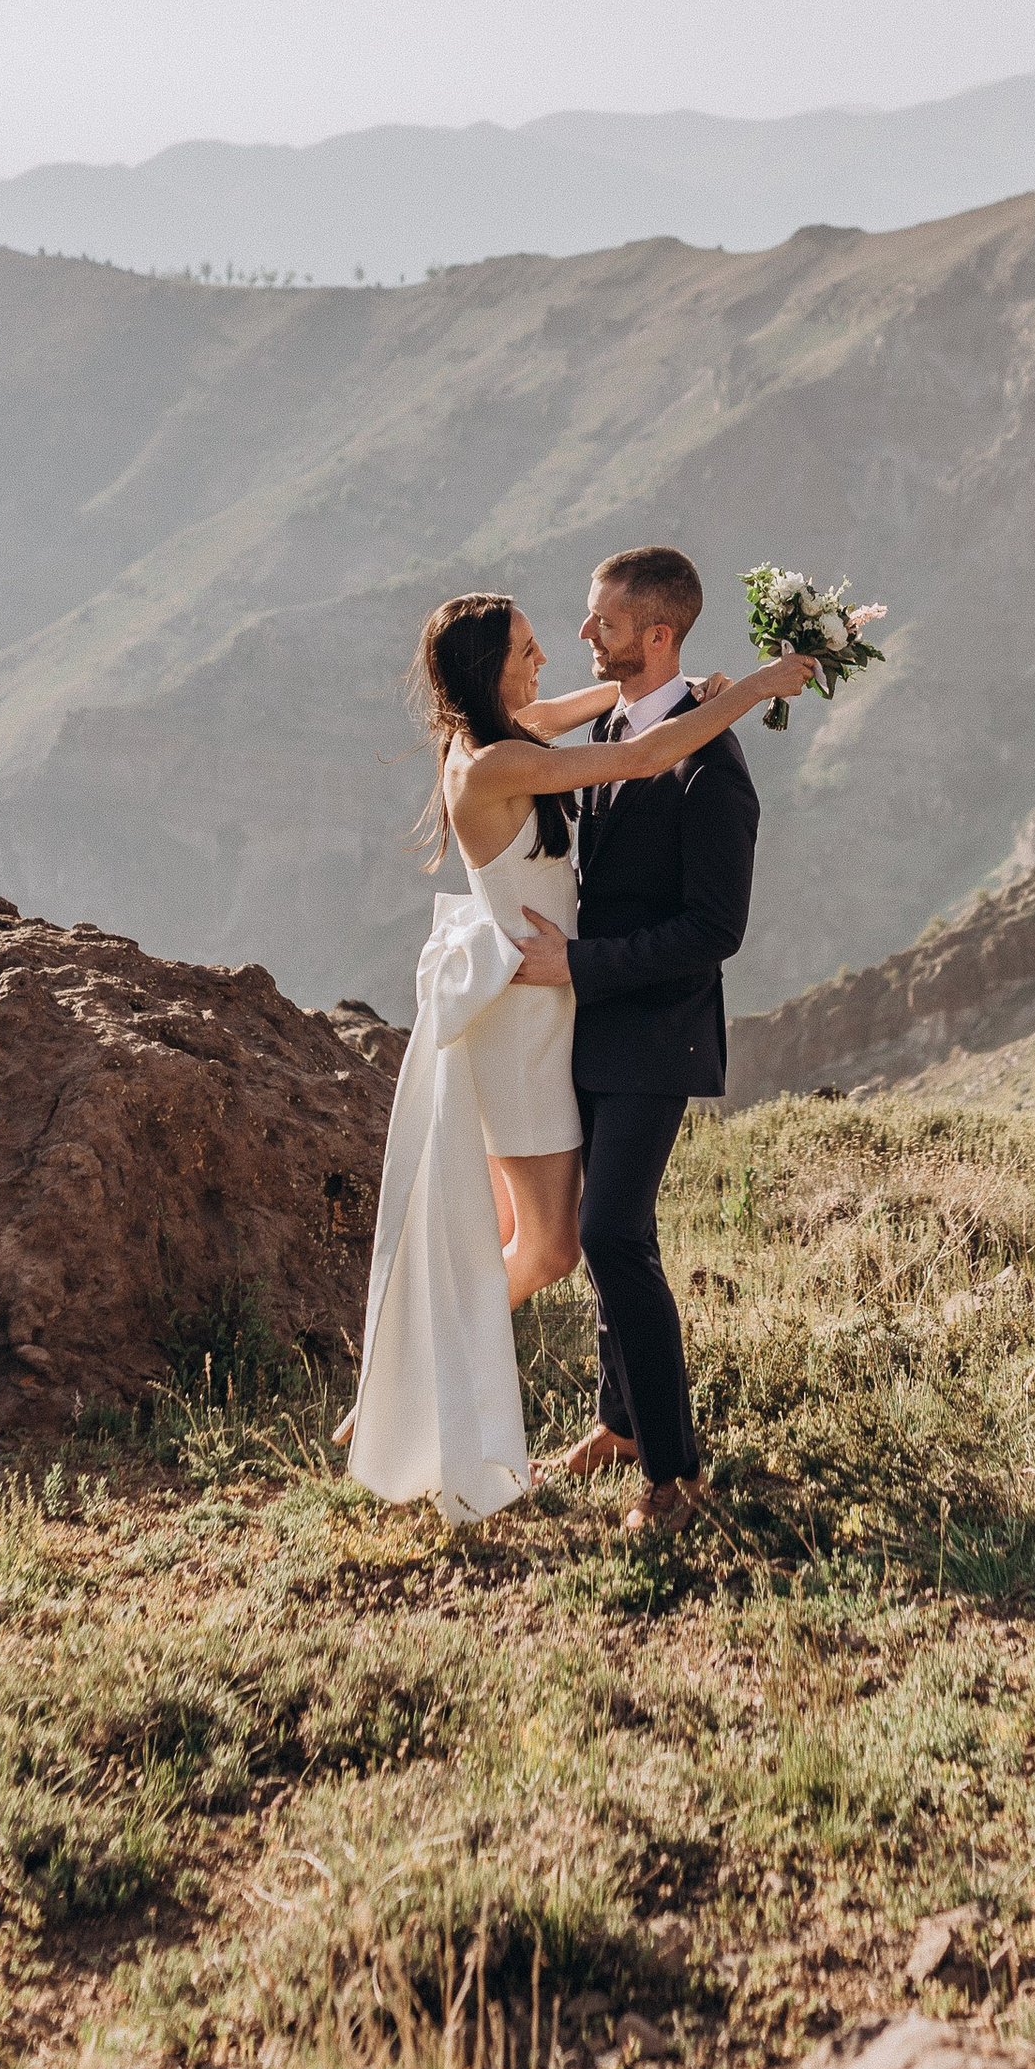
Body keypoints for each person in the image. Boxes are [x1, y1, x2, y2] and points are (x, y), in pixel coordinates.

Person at [342, 586, 809, 1522]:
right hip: (526, 1023)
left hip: (557, 1013)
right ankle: (404, 1381)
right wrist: (754, 687)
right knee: (558, 1245)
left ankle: (460, 1390)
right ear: (488, 670)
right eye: (526, 646)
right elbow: (638, 756)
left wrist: (686, 691)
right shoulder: (496, 761)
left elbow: (609, 716)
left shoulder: (504, 729)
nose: (550, 653)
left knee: (564, 1240)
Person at [507, 544, 768, 1536]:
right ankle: (620, 1424)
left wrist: (576, 966)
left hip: (655, 1036)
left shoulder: (712, 773)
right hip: (582, 1030)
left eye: (604, 623)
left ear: (658, 635)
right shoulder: (615, 727)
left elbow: (715, 932)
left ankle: (675, 1478)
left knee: (611, 1233)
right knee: (621, 1238)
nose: (585, 635)